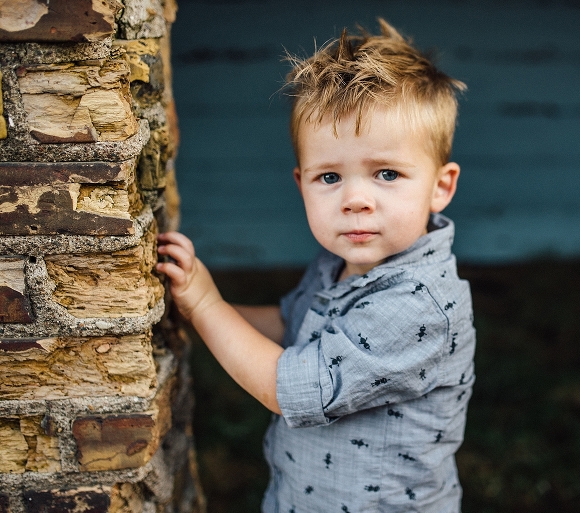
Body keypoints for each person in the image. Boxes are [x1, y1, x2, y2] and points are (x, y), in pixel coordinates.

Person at [157, 18, 476, 513]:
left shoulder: (417, 305)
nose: (355, 199)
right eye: (329, 176)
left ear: (440, 186)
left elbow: (286, 389)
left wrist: (205, 304)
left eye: (386, 173)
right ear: (300, 181)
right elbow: (291, 324)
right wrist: (187, 308)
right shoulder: (339, 262)